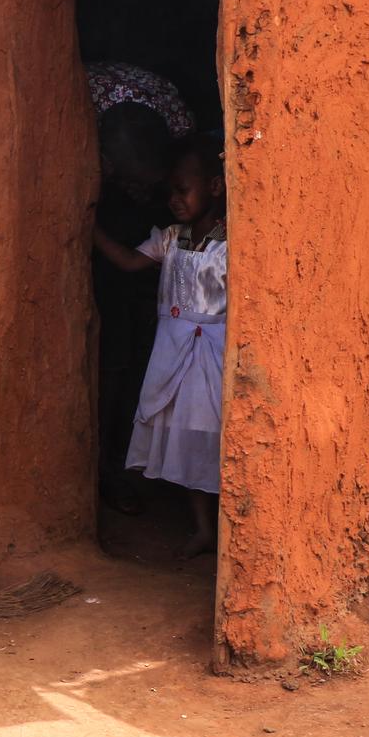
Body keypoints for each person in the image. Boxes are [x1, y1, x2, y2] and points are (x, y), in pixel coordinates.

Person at [92, 134, 227, 558]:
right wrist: (88, 225)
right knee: (186, 439)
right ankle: (204, 527)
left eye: (183, 189)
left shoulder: (234, 243)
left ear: (215, 187)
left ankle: (228, 532)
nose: (174, 198)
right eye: (170, 190)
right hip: (175, 353)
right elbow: (129, 261)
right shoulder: (170, 237)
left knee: (214, 437)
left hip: (214, 352)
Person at [87, 62, 192, 517]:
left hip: (147, 244)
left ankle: (127, 464)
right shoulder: (86, 109)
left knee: (132, 362)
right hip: (113, 231)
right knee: (112, 359)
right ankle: (107, 466)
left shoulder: (174, 116)